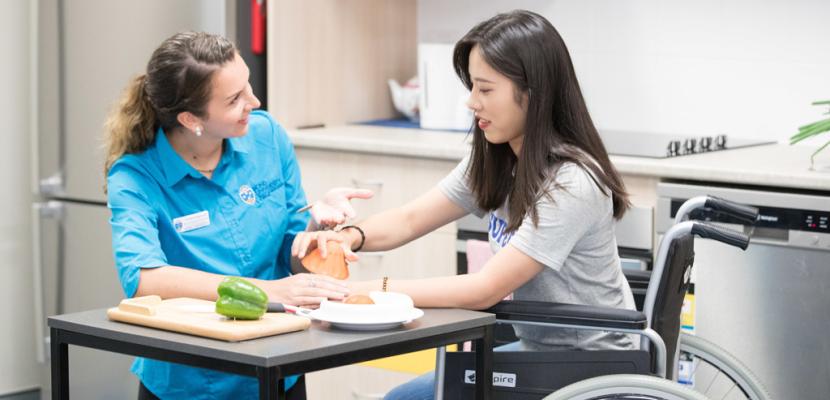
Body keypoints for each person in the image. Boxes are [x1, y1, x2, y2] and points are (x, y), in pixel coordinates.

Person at [292, 10, 637, 399]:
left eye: (485, 89)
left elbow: (482, 289)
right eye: (472, 86)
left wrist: (371, 292)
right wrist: (349, 237)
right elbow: (408, 220)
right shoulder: (499, 159)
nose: (471, 102)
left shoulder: (572, 181)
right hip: (538, 353)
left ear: (533, 93)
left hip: (588, 367)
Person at [104, 32, 369, 400]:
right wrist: (269, 291)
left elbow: (289, 253)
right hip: (190, 382)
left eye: (248, 85)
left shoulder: (267, 136)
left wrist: (315, 233)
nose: (254, 101)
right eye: (234, 99)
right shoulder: (135, 177)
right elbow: (144, 278)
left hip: (278, 365)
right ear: (190, 118)